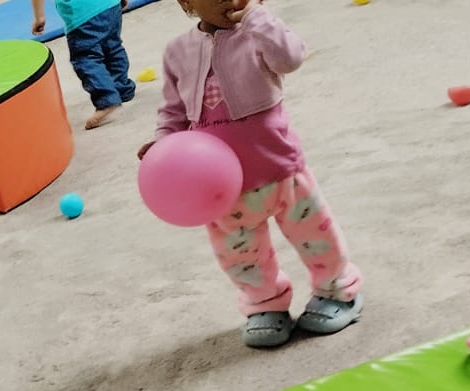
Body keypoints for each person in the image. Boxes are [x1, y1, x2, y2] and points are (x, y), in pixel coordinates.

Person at [140, 0, 363, 348]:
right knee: (240, 256)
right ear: (186, 2)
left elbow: (291, 58)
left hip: (280, 167)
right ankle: (265, 304)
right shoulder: (177, 52)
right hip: (221, 188)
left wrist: (259, 19)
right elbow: (173, 112)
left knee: (316, 237)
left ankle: (338, 291)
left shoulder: (260, 33)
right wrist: (164, 146)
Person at [32, 0, 134, 129]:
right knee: (113, 47)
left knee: (85, 58)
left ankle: (107, 99)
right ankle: (122, 88)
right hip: (110, 6)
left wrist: (39, 17)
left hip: (83, 17)